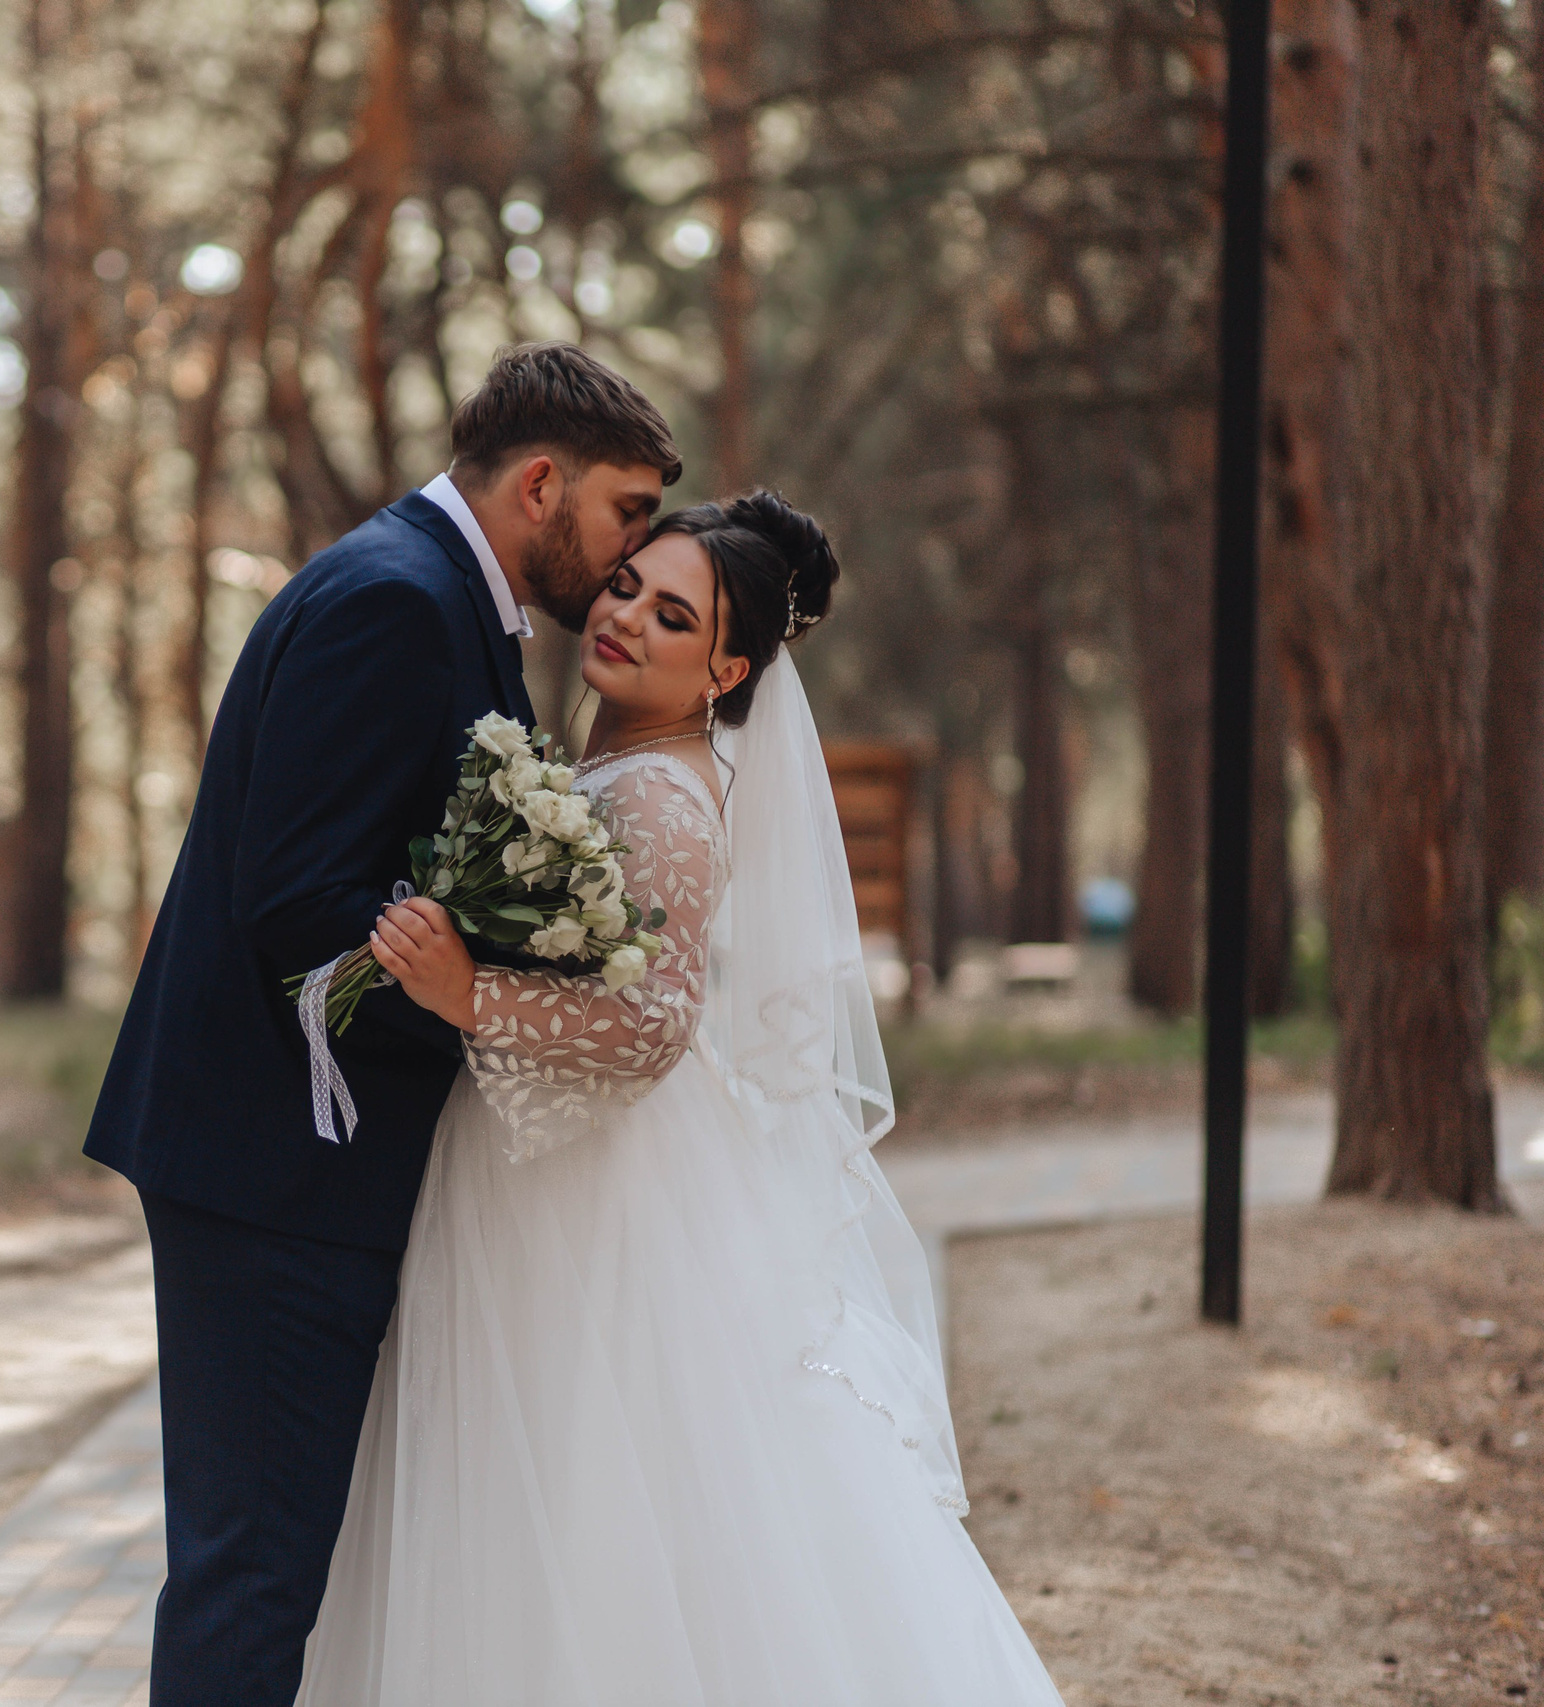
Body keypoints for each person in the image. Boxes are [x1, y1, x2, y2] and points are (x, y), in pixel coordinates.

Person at [296, 495, 1066, 1705]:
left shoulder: (657, 799)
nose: (625, 621)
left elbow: (650, 1030)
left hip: (599, 1196)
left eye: (673, 617)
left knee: (592, 1488)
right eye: (623, 589)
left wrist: (467, 991)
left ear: (727, 667)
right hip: (552, 1163)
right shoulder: (616, 760)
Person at [84, 343, 678, 1706]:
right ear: (542, 483)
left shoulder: (425, 593)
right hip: (276, 1168)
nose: (635, 546)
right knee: (252, 1573)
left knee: (269, 1564)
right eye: (626, 511)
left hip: (287, 1166)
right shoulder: (396, 603)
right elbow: (298, 897)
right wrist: (480, 1009)